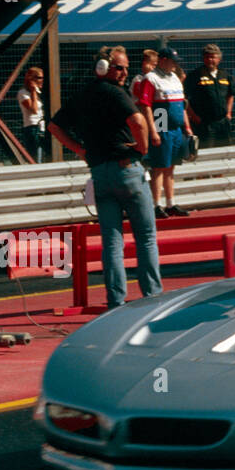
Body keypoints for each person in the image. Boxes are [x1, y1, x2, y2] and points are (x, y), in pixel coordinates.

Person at [47, 46, 160, 310]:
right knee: (145, 236)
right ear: (103, 68)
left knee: (111, 240)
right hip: (126, 169)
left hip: (99, 173)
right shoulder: (116, 93)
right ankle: (153, 297)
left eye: (125, 68)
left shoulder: (82, 94)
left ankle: (115, 300)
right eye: (119, 67)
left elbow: (54, 126)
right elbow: (139, 122)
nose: (124, 73)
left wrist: (80, 150)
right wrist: (142, 148)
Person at [137, 48, 192, 218]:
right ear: (162, 60)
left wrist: (187, 126)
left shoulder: (175, 77)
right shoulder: (151, 78)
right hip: (162, 122)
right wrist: (153, 131)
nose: (176, 64)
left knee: (171, 166)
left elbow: (182, 104)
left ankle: (170, 203)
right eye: (172, 60)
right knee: (159, 165)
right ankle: (155, 204)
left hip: (176, 127)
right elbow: (145, 105)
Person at [184, 44, 232, 149]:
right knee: (206, 152)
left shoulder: (225, 75)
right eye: (207, 57)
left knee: (225, 152)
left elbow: (230, 94)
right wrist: (193, 116)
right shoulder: (195, 75)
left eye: (213, 57)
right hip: (204, 123)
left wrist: (228, 113)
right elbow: (184, 98)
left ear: (219, 59)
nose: (210, 60)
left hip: (222, 123)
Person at [16, 67, 46, 163]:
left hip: (43, 127)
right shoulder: (23, 93)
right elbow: (34, 110)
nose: (42, 80)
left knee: (44, 156)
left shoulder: (40, 93)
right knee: (36, 158)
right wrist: (33, 91)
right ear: (31, 79)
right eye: (40, 78)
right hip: (32, 128)